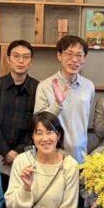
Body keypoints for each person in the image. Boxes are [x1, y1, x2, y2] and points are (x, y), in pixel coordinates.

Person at [4, 112, 79, 208]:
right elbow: (11, 205)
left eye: (50, 132)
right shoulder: (22, 161)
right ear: (32, 137)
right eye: (39, 133)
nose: (45, 138)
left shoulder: (70, 166)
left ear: (58, 135)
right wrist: (26, 188)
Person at [34, 35, 95, 163]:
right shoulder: (45, 86)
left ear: (84, 58)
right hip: (53, 155)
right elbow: (39, 123)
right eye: (69, 54)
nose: (74, 59)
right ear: (59, 56)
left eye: (79, 55)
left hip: (80, 155)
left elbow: (85, 120)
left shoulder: (89, 86)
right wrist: (57, 104)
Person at [0, 40, 39, 180]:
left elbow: (37, 125)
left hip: (27, 156)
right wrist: (6, 151)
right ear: (8, 59)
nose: (21, 61)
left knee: (25, 191)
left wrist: (17, 152)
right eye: (16, 56)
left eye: (26, 57)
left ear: (31, 61)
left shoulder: (38, 88)